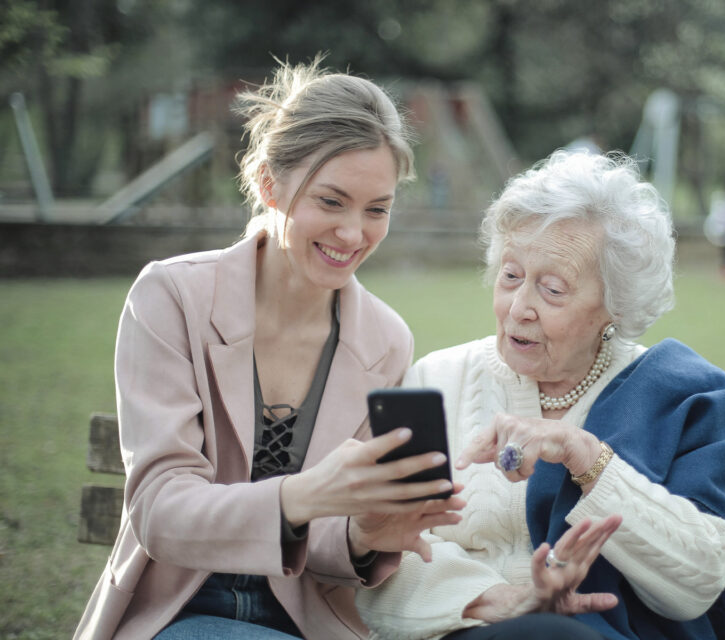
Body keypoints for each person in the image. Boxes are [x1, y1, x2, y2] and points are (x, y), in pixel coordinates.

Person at [75, 57, 465, 640]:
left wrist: (363, 534)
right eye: (331, 202)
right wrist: (302, 494)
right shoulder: (171, 297)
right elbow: (159, 509)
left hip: (307, 622)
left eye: (376, 209)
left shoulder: (386, 339)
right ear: (268, 183)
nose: (354, 234)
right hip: (177, 610)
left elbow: (330, 542)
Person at [356, 151, 725, 640]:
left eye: (551, 289)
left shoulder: (687, 396)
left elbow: (701, 581)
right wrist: (496, 600)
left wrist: (585, 456)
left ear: (616, 304)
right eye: (510, 276)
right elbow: (380, 549)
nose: (519, 308)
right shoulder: (438, 378)